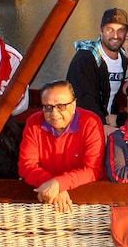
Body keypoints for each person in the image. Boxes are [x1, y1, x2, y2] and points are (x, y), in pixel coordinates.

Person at [18, 80, 105, 211]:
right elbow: (26, 166)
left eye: (61, 106)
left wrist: (59, 183)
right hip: (45, 198)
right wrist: (52, 185)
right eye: (47, 107)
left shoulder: (90, 122)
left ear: (74, 104)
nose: (54, 113)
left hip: (84, 203)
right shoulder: (33, 122)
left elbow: (93, 170)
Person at [66, 7, 128, 132]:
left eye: (120, 30)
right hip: (85, 125)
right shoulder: (85, 59)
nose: (115, 36)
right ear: (101, 30)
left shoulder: (126, 58)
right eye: (109, 30)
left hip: (111, 122)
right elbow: (83, 99)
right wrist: (103, 126)